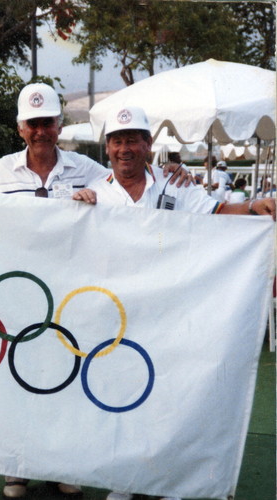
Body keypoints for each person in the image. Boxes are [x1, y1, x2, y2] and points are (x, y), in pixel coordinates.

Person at [0, 84, 193, 499]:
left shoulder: (88, 170)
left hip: (71, 297)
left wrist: (177, 173)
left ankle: (62, 466)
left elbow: (126, 190)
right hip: (18, 294)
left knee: (65, 381)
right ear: (21, 128)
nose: (42, 131)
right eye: (33, 124)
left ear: (60, 125)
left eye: (49, 123)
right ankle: (14, 470)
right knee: (17, 381)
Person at [81, 104, 275, 500]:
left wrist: (254, 207)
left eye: (133, 140)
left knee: (170, 398)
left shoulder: (177, 186)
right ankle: (125, 481)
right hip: (115, 317)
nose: (124, 149)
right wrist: (75, 208)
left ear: (148, 146)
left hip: (169, 315)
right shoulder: (94, 194)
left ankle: (172, 480)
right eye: (117, 141)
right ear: (108, 148)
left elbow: (219, 213)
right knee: (120, 400)